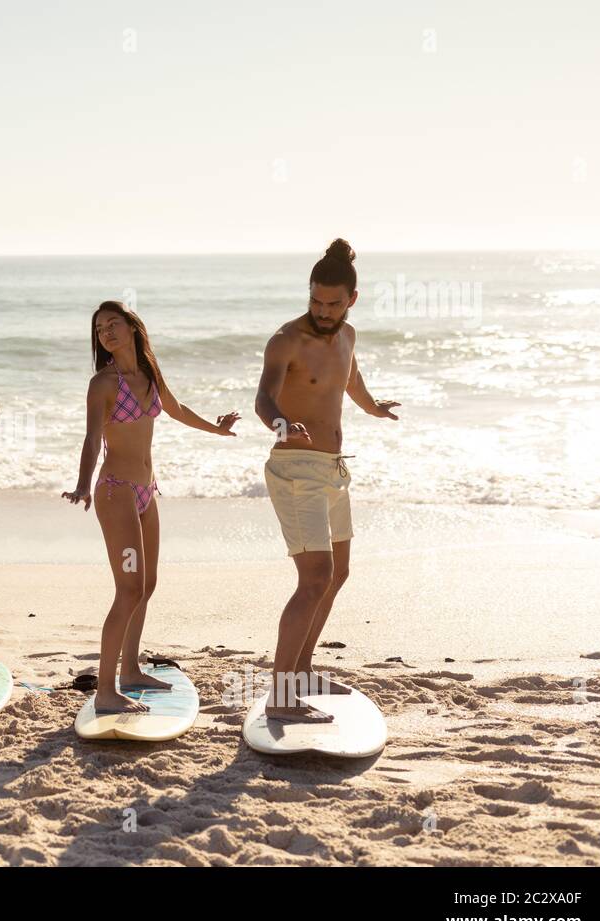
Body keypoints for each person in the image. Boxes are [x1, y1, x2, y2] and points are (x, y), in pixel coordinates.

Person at [64, 302, 239, 713]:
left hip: (146, 491)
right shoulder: (103, 384)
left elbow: (176, 410)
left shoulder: (149, 374)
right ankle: (106, 690)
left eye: (113, 324)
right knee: (129, 588)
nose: (106, 332)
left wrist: (217, 428)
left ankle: (130, 670)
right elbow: (92, 439)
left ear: (132, 327)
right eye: (99, 328)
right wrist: (82, 484)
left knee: (147, 584)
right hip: (115, 492)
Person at [254, 239, 400, 723]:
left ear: (351, 300)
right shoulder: (286, 339)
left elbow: (349, 378)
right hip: (295, 470)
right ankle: (281, 696)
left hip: (334, 468)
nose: (322, 310)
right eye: (315, 300)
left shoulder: (348, 335)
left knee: (337, 574)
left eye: (332, 303)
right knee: (313, 578)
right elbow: (264, 400)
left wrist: (372, 406)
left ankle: (303, 670)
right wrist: (281, 425)